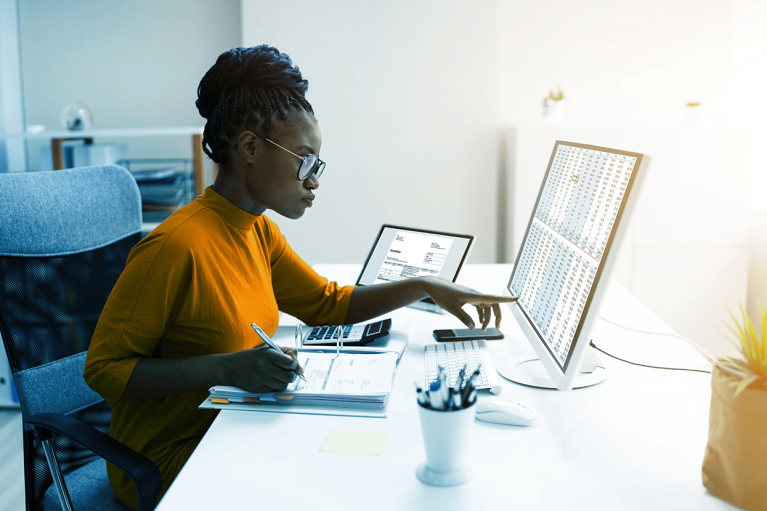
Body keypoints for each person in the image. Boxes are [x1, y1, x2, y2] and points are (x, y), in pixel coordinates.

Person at [84, 45, 517, 509]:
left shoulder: (259, 231)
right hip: (172, 461)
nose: (314, 180)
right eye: (306, 161)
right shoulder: (174, 247)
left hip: (236, 426)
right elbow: (104, 371)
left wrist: (425, 286)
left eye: (318, 165)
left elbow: (329, 305)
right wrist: (229, 369)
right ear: (250, 147)